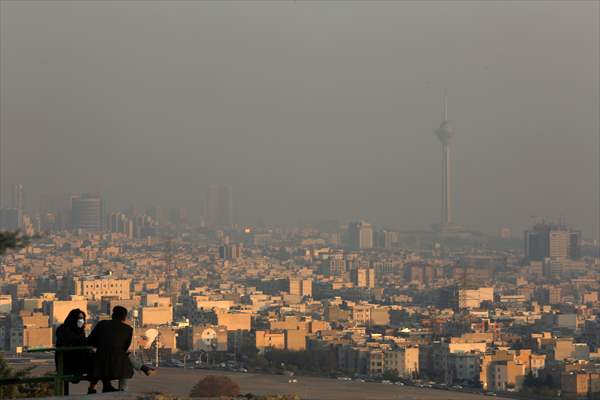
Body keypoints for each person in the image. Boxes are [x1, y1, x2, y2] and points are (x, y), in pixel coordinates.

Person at [87, 306, 134, 393]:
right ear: (124, 318)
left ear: (112, 315)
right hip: (119, 365)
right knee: (121, 361)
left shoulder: (102, 324)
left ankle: (93, 388)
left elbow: (90, 341)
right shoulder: (128, 330)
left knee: (101, 360)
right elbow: (124, 347)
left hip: (100, 363)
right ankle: (120, 391)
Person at [54, 309, 93, 395]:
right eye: (79, 318)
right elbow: (75, 341)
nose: (81, 320)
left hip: (78, 362)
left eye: (82, 318)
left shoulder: (80, 331)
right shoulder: (63, 330)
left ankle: (93, 387)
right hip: (67, 363)